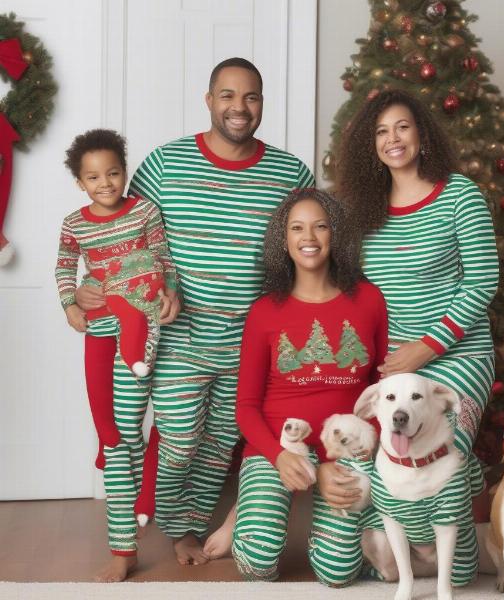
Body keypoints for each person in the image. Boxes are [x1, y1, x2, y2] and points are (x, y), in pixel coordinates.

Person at [75, 58, 315, 567]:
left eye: (250, 97)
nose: (239, 107)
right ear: (209, 101)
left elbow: (309, 246)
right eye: (227, 96)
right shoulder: (165, 163)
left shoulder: (291, 172)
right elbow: (122, 231)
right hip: (179, 336)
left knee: (217, 450)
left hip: (250, 342)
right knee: (180, 441)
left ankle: (188, 527)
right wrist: (89, 285)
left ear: (262, 104)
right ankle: (168, 520)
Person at [323, 88, 499, 586]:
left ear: (422, 134)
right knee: (390, 448)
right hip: (395, 357)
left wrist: (428, 347)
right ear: (370, 146)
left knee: (446, 446)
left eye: (402, 126)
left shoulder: (459, 194)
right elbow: (352, 290)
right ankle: (391, 546)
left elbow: (482, 280)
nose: (392, 139)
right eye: (381, 132)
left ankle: (454, 561)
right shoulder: (362, 210)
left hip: (459, 351)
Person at [230, 188, 388, 585]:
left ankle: (350, 539)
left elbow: (383, 390)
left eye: (320, 226)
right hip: (279, 448)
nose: (309, 237)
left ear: (336, 235)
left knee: (338, 574)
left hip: (346, 449)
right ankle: (246, 524)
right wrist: (278, 456)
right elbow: (246, 407)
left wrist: (363, 458)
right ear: (283, 241)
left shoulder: (368, 300)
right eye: (297, 228)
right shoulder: (264, 312)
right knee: (257, 562)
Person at [55, 129, 180, 581]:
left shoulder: (144, 210)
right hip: (97, 327)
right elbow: (65, 265)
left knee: (124, 430)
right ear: (80, 183)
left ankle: (124, 544)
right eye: (93, 177)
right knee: (108, 433)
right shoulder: (75, 223)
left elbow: (163, 259)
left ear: (125, 172)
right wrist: (69, 303)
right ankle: (132, 488)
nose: (105, 183)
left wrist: (169, 292)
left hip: (140, 324)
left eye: (113, 172)